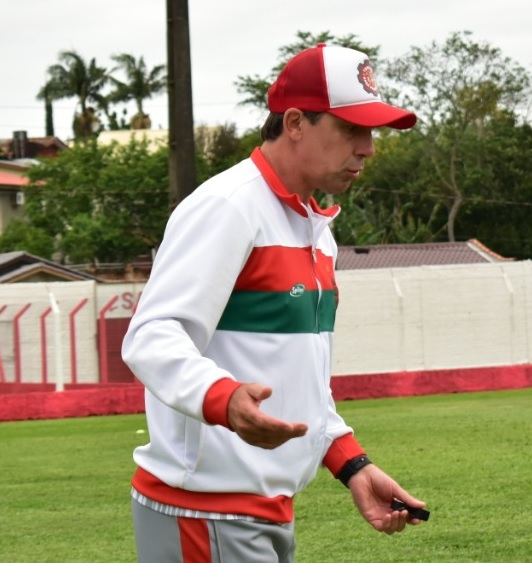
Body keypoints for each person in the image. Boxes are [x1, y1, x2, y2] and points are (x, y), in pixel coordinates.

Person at [122, 43, 426, 562]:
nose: (368, 148)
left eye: (371, 131)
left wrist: (351, 463)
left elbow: (295, 377)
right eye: (351, 128)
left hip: (259, 511)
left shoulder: (313, 227)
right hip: (204, 512)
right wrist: (223, 397)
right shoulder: (228, 207)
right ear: (294, 123)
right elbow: (151, 335)